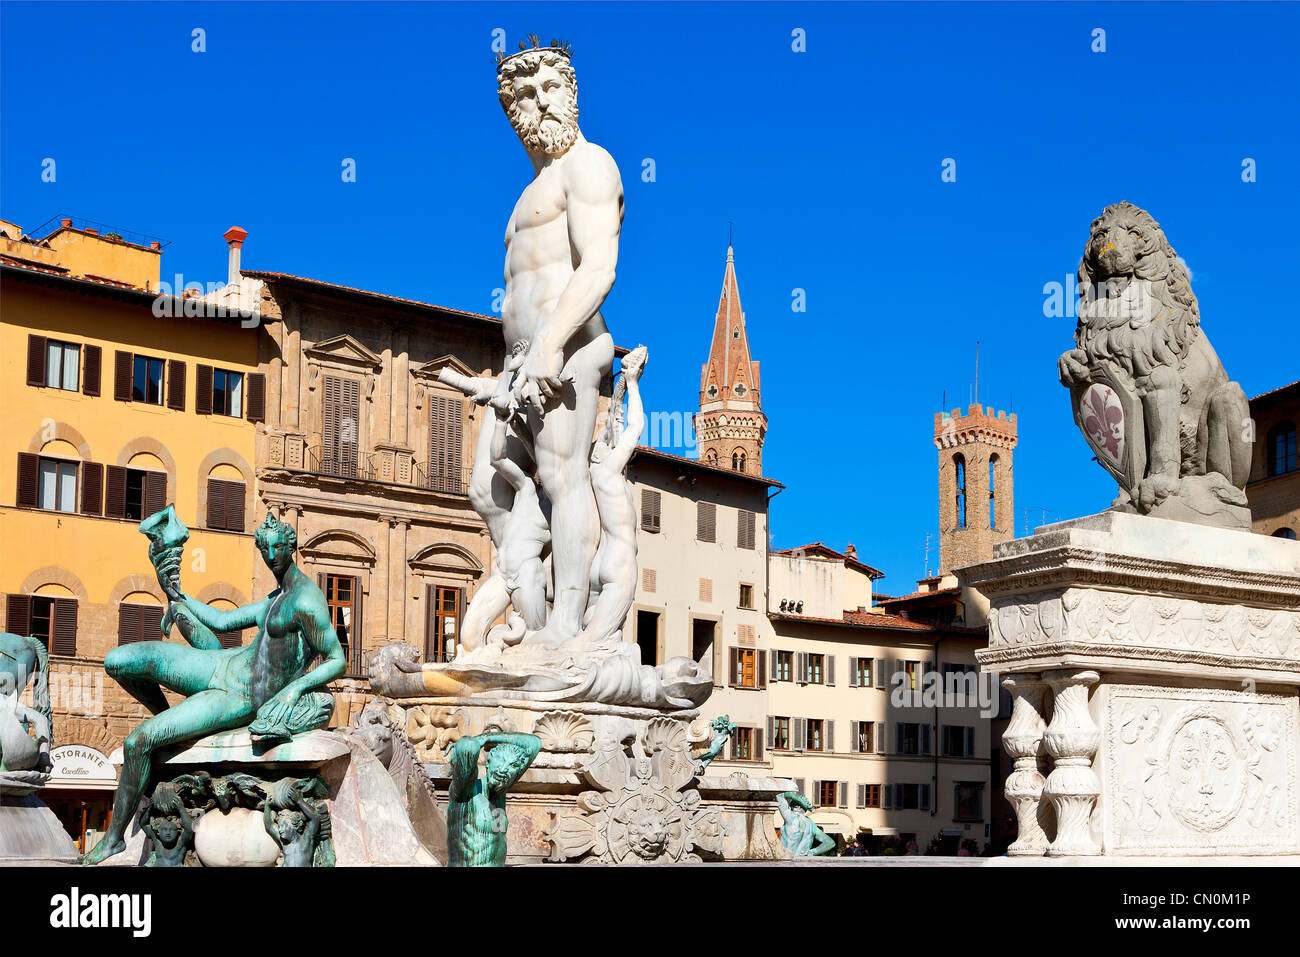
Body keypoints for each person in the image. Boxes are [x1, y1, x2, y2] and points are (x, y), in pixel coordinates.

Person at [84, 512, 345, 864]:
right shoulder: (275, 597)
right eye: (263, 548)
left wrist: (294, 689)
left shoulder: (306, 600)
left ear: (291, 547)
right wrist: (178, 595)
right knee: (117, 661)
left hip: (240, 696)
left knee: (137, 742)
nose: (269, 555)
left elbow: (336, 659)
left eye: (276, 547)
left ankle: (114, 839)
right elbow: (222, 621)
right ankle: (170, 723)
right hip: (220, 664)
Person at [476, 38, 624, 647]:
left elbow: (599, 266)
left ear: (571, 93)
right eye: (521, 99)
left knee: (565, 481)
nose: (536, 107)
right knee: (486, 489)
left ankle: (566, 622)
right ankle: (532, 614)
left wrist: (550, 344)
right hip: (520, 361)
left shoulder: (590, 165)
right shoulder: (527, 193)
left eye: (547, 90)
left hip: (566, 349)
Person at [446, 732, 541, 866]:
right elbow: (467, 747)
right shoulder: (466, 792)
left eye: (512, 766)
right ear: (488, 762)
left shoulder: (500, 792)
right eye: (501, 760)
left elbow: (535, 743)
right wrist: (475, 742)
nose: (503, 769)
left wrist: (487, 738)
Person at [776, 791, 836, 857]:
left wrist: (797, 798)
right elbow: (830, 843)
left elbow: (779, 796)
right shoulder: (811, 824)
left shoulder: (790, 817)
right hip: (804, 861)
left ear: (795, 806)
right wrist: (812, 852)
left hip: (786, 859)